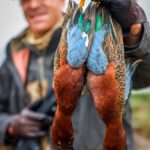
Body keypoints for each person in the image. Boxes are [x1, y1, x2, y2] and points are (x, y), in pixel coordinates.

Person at [0, 0, 149, 150]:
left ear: (62, 1)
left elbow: (145, 76)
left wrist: (135, 29)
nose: (33, 5)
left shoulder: (85, 38)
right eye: (25, 0)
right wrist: (9, 125)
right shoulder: (12, 57)